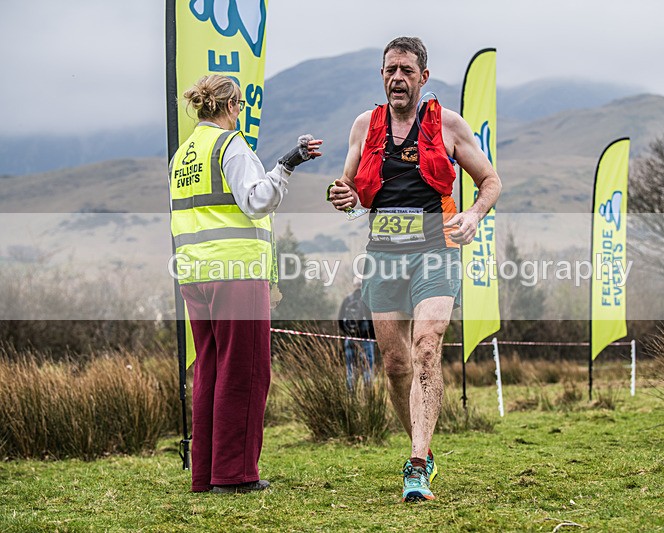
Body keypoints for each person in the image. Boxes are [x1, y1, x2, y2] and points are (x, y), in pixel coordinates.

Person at [327, 37, 502, 502]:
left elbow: (490, 181)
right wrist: (343, 197)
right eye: (389, 70)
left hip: (436, 251)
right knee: (395, 364)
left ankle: (418, 464)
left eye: (406, 70)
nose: (397, 78)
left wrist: (473, 214)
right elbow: (349, 190)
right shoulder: (365, 126)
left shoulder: (448, 125)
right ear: (382, 76)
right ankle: (418, 444)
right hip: (384, 256)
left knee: (426, 347)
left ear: (423, 77)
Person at [169, 74, 323, 493]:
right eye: (240, 104)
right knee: (246, 371)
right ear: (232, 105)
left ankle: (206, 473)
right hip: (236, 273)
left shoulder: (183, 156)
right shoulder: (230, 145)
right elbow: (257, 200)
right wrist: (287, 164)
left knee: (210, 372)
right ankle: (235, 475)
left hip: (195, 274)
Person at [337, 276, 376, 389]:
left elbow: (340, 320)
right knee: (367, 370)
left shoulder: (347, 299)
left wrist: (348, 334)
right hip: (366, 340)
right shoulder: (368, 300)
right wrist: (372, 336)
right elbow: (373, 321)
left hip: (350, 339)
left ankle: (351, 399)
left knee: (350, 369)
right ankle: (369, 399)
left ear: (354, 285)